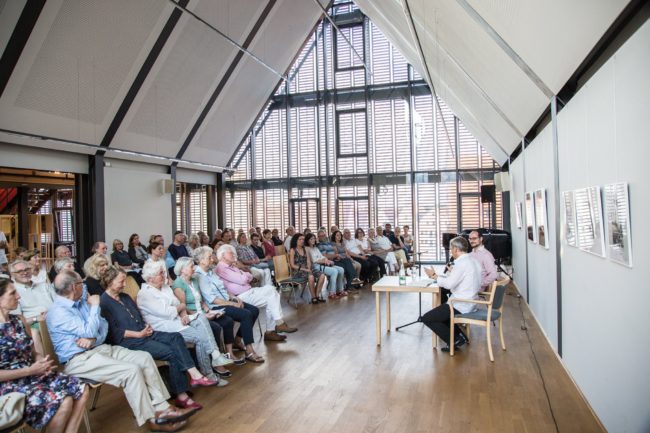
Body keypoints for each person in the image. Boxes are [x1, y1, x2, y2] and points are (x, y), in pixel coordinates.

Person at [47, 270, 195, 431]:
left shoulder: (82, 302)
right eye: (81, 284)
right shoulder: (58, 312)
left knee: (144, 358)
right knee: (131, 371)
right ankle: (152, 419)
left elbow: (104, 327)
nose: (84, 287)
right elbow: (90, 330)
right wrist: (95, 309)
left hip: (100, 348)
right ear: (73, 287)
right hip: (79, 359)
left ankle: (163, 408)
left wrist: (93, 339)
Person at [100, 266, 218, 411]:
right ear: (109, 281)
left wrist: (146, 326)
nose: (125, 284)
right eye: (121, 281)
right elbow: (113, 333)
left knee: (176, 337)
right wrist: (138, 334)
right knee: (171, 353)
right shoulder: (104, 302)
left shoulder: (124, 297)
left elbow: (138, 315)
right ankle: (182, 395)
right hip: (131, 341)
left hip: (145, 332)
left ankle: (194, 374)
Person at [0, 277, 90, 433]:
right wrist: (30, 370)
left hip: (33, 375)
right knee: (65, 402)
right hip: (10, 386)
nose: (18, 296)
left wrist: (42, 362)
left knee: (82, 388)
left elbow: (33, 352)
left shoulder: (19, 320)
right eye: (12, 293)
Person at [137, 261, 232, 383]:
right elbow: (168, 312)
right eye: (161, 273)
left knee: (201, 318)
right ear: (151, 278)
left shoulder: (164, 287)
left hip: (177, 320)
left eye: (163, 272)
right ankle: (209, 372)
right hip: (164, 328)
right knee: (200, 337)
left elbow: (178, 303)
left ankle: (215, 356)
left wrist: (183, 313)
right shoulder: (145, 294)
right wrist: (181, 307)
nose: (165, 275)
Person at [193, 247, 264, 363]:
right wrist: (232, 304)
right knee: (246, 314)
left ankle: (238, 340)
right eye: (209, 257)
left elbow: (223, 288)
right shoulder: (199, 276)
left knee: (254, 310)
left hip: (226, 300)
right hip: (216, 306)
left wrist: (234, 297)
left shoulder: (210, 271)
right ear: (201, 260)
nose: (212, 259)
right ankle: (249, 350)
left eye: (212, 256)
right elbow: (213, 300)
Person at [172, 257, 245, 366]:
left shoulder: (194, 280)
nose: (194, 268)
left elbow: (201, 300)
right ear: (183, 269)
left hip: (202, 312)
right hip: (193, 315)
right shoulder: (178, 284)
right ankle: (215, 360)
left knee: (227, 321)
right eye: (191, 266)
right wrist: (201, 315)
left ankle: (229, 353)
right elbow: (183, 306)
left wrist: (208, 311)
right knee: (215, 327)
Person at [215, 244, 297, 342]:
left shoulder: (232, 266)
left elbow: (249, 275)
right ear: (223, 255)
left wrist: (244, 274)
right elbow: (243, 279)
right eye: (230, 253)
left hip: (248, 291)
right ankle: (274, 328)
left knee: (271, 291)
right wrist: (243, 274)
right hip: (239, 297)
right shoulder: (221, 267)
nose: (233, 254)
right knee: (272, 297)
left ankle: (275, 327)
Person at [422, 237, 480, 351]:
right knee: (441, 312)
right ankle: (460, 336)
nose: (450, 251)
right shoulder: (473, 260)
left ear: (456, 249)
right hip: (471, 302)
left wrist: (434, 276)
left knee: (427, 318)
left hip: (461, 304)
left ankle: (454, 340)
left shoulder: (461, 264)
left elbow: (448, 285)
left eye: (451, 248)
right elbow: (463, 279)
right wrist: (452, 272)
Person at [305, 233, 345, 300]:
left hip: (323, 264)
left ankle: (340, 290)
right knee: (334, 271)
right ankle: (332, 293)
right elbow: (314, 260)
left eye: (314, 238)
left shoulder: (315, 248)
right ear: (307, 240)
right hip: (316, 266)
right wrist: (324, 261)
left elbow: (322, 256)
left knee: (341, 269)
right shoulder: (307, 248)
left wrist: (327, 260)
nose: (313, 240)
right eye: (311, 239)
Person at [288, 233, 323, 304]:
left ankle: (317, 295)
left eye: (303, 239)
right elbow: (292, 265)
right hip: (298, 271)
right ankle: (313, 297)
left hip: (307, 269)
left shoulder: (305, 249)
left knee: (322, 275)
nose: (302, 241)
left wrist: (309, 268)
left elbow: (308, 261)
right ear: (295, 240)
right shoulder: (293, 250)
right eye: (300, 239)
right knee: (311, 277)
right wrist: (305, 269)